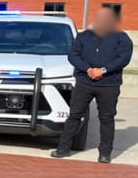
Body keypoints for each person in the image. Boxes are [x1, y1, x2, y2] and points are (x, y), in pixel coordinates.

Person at [52, 8, 133, 163]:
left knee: (107, 118)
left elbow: (123, 58)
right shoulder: (84, 36)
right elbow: (73, 55)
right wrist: (88, 69)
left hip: (109, 85)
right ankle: (62, 149)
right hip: (84, 82)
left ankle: (105, 154)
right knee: (74, 115)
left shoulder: (122, 38)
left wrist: (103, 70)